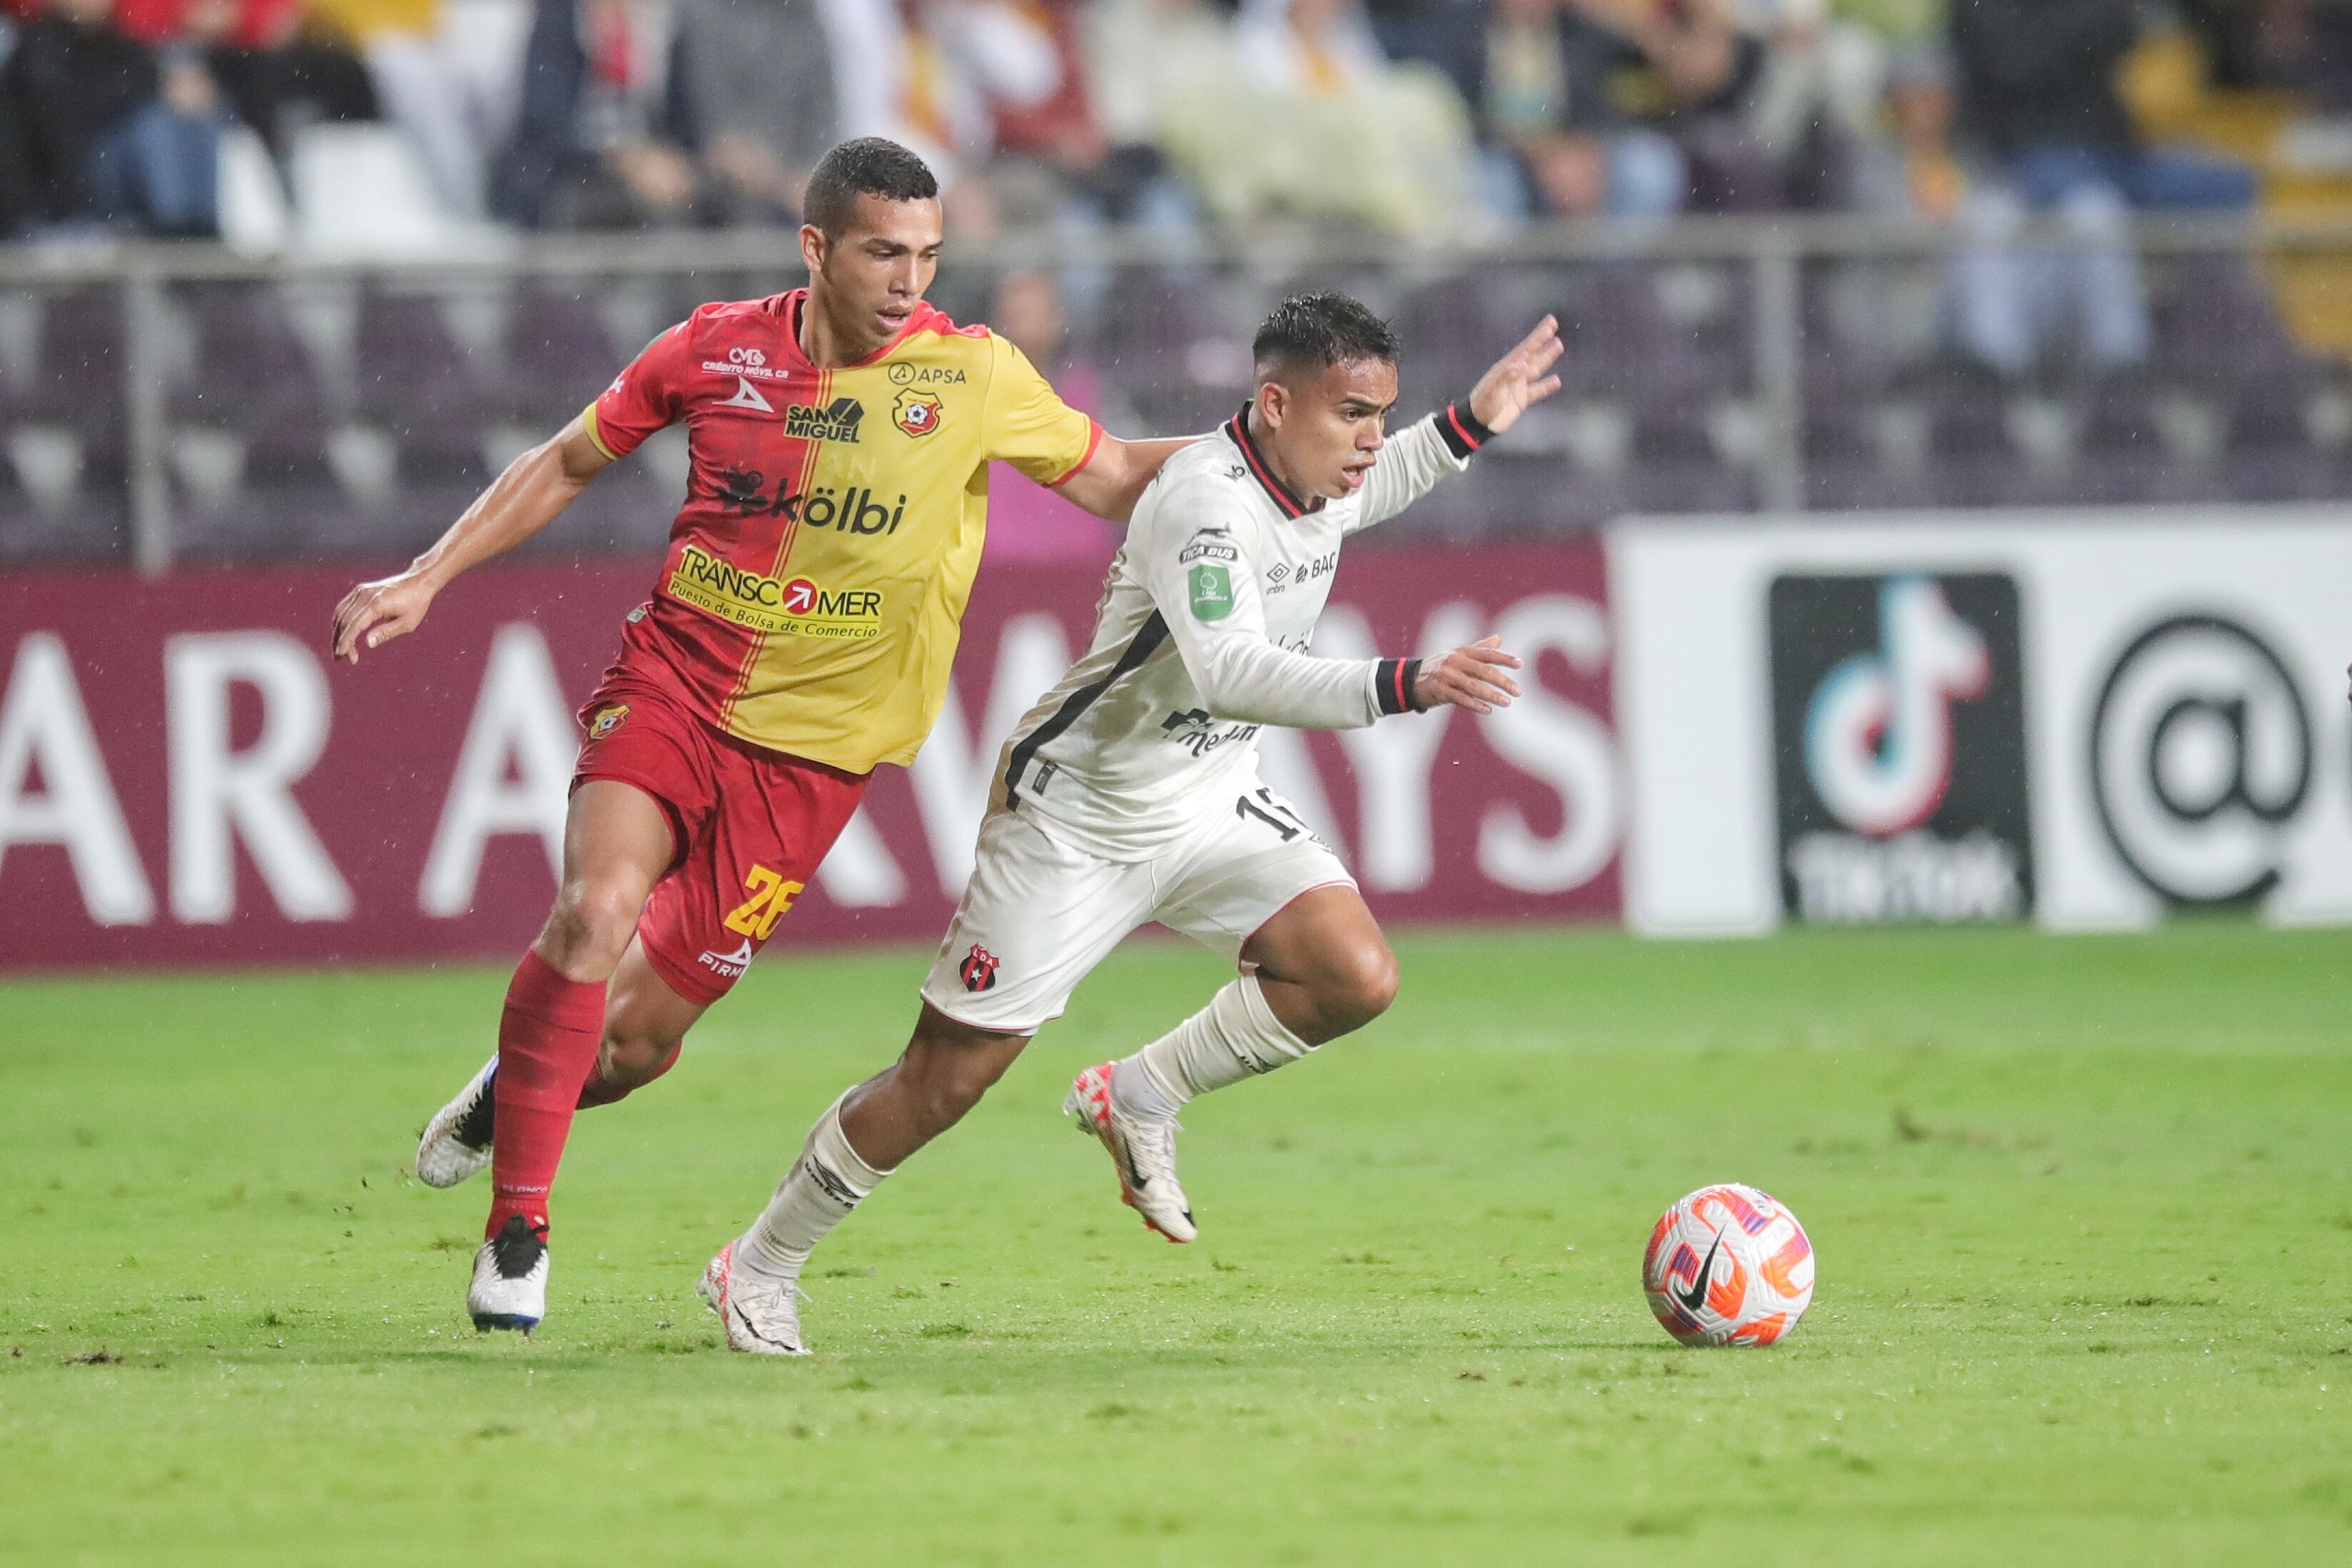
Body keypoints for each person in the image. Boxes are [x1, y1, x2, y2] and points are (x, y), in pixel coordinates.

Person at [335, 136, 1192, 1335]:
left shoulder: (974, 374)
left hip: (813, 760)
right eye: (884, 252)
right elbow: (569, 458)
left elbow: (1114, 475)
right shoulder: (713, 347)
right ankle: (518, 1229)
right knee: (593, 909)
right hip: (674, 684)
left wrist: (1267, 464)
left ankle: (512, 1089)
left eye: (929, 255)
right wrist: (427, 575)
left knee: (632, 1046)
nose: (910, 280)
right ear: (815, 247)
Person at [696, 292, 1563, 1355]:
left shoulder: (1314, 474)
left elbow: (1372, 488)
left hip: (1205, 797)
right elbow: (1230, 670)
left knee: (1353, 975)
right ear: (1275, 404)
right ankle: (761, 1262)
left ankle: (1140, 1093)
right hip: (1078, 814)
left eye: (1382, 413)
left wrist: (1470, 421)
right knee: (945, 1079)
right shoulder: (1204, 500)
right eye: (1352, 414)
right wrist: (1407, 680)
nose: (1372, 439)